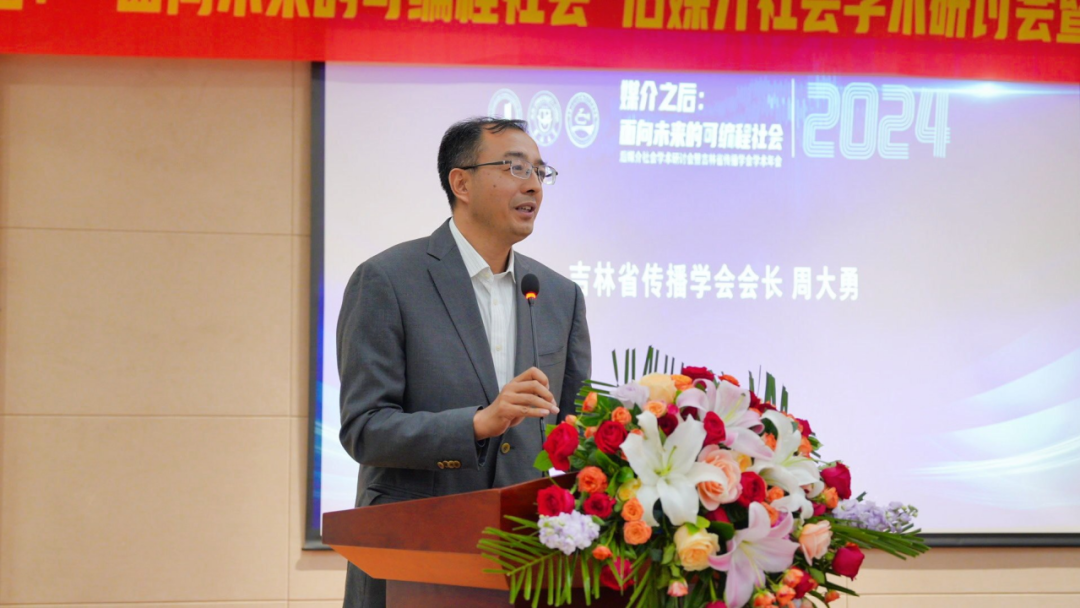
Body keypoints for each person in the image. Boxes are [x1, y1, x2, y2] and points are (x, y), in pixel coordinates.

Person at [336, 117, 592, 607]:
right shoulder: (388, 280)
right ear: (461, 183)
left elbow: (573, 429)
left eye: (540, 172)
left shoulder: (559, 296)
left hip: (528, 559)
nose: (533, 185)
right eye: (515, 168)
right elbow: (365, 429)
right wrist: (476, 424)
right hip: (415, 552)